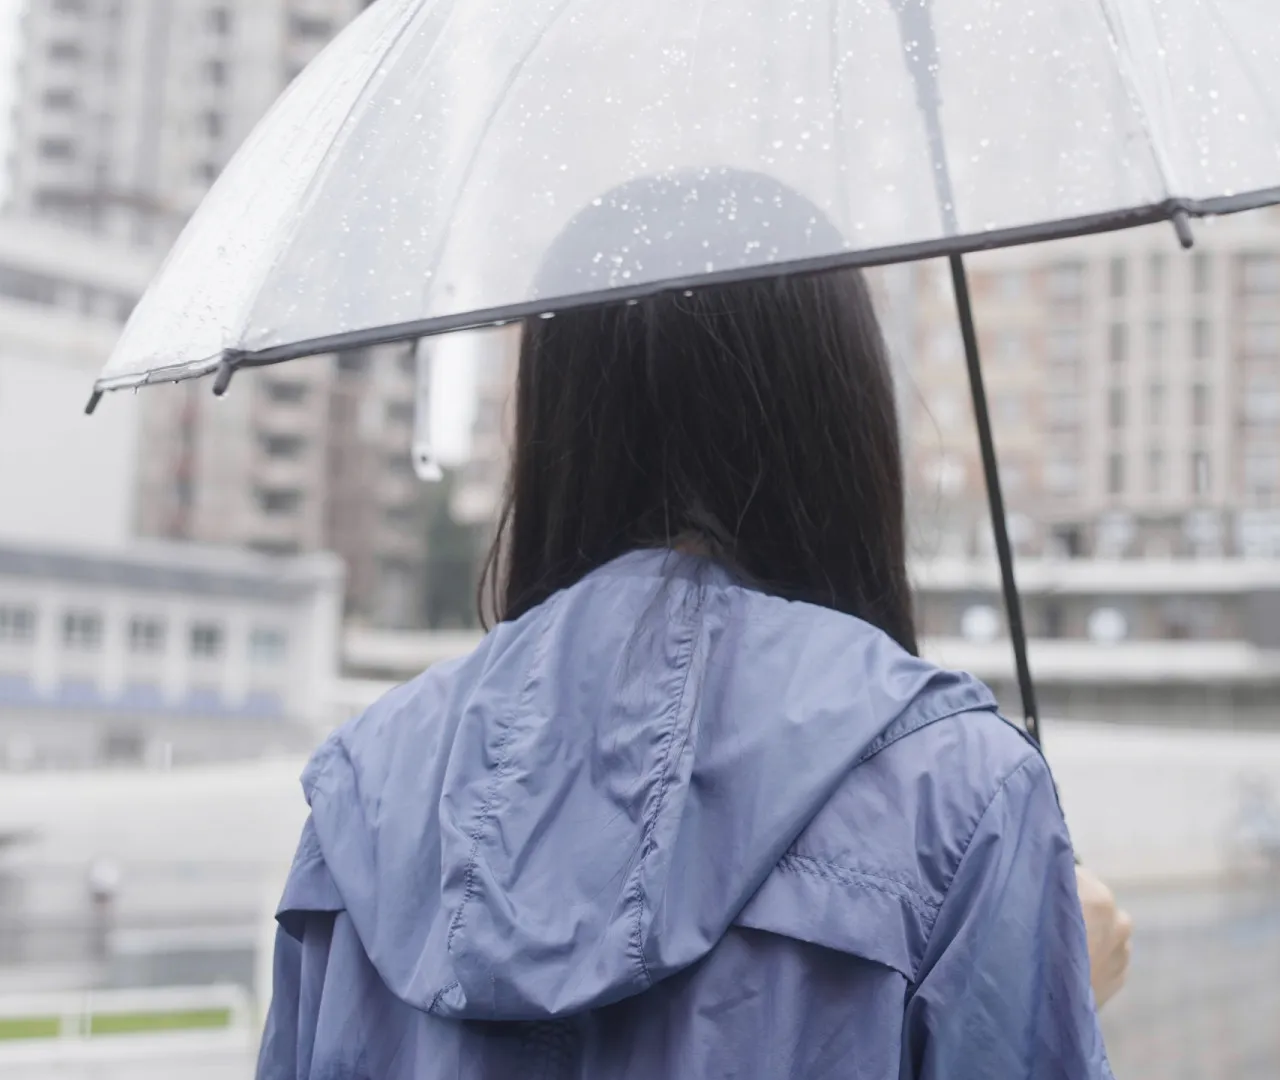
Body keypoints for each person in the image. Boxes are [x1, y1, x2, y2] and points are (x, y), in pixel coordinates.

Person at [256, 173, 1129, 1079]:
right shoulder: (956, 792)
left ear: (554, 422)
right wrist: (1055, 985)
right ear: (838, 420)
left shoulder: (367, 790)